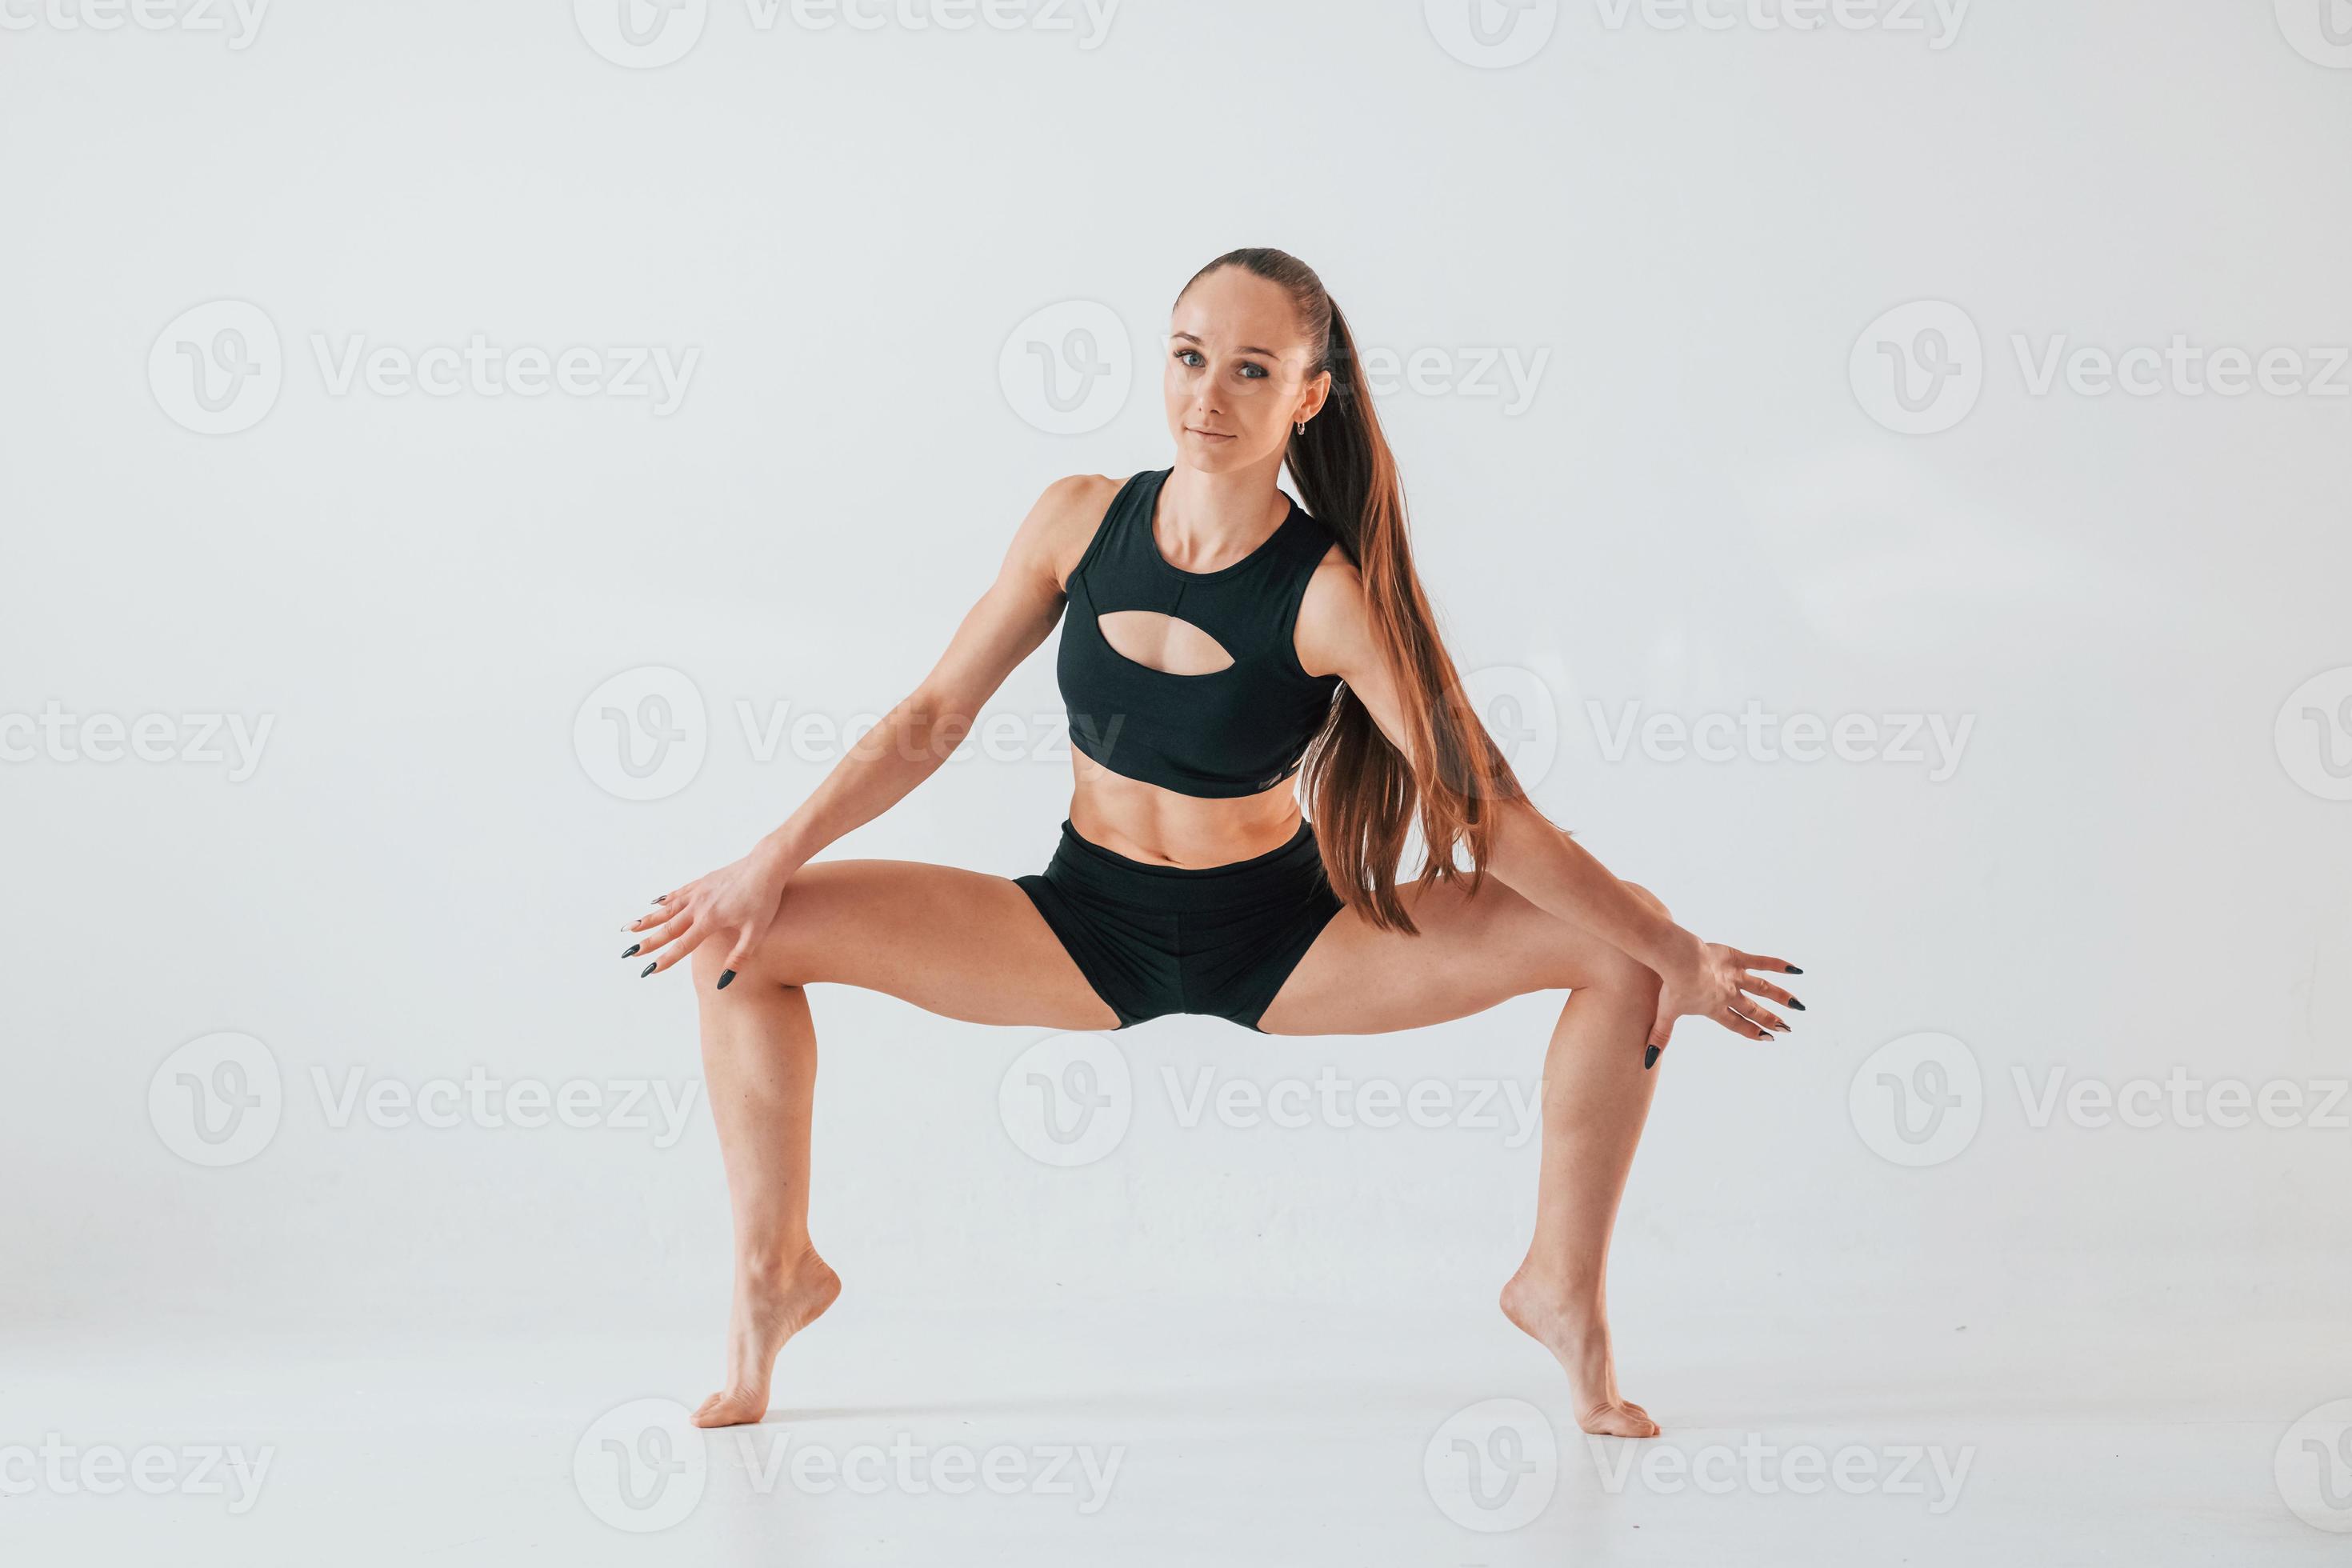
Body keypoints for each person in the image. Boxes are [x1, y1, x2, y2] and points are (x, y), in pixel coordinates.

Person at [622, 247, 1802, 1438]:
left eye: (1251, 370)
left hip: (1285, 937)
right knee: (739, 940)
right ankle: (777, 1276)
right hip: (1082, 924)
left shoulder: (1329, 595)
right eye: (1190, 358)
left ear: (1307, 395)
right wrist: (767, 859)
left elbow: (1483, 808)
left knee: (1626, 950)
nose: (1207, 397)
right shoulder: (1079, 521)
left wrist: (1678, 948)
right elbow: (932, 719)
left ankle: (1559, 1288)